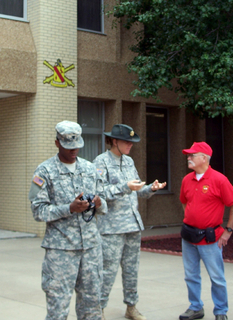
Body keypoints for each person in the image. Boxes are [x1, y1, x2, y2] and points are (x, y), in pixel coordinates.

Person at [29, 120, 107, 320]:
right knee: (58, 308)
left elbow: (104, 201)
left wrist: (98, 204)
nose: (74, 151)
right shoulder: (44, 171)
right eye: (68, 146)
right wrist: (69, 209)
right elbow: (38, 211)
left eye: (77, 146)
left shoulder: (90, 169)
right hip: (61, 251)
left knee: (92, 307)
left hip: (90, 249)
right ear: (57, 143)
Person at [93, 124, 166, 320]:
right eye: (127, 141)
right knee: (107, 271)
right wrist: (124, 187)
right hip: (111, 228)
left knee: (132, 269)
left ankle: (131, 307)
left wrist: (151, 188)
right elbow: (99, 194)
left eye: (132, 142)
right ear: (114, 141)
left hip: (132, 225)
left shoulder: (129, 161)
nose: (130, 145)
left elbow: (137, 189)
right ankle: (97, 310)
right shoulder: (100, 162)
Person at [179, 142, 233, 320]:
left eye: (192, 155)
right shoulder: (186, 180)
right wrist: (193, 219)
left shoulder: (219, 179)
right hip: (188, 236)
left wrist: (228, 230)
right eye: (188, 155)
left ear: (203, 158)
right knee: (191, 275)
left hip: (211, 238)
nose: (188, 158)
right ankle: (195, 307)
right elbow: (184, 201)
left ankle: (221, 311)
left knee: (217, 277)